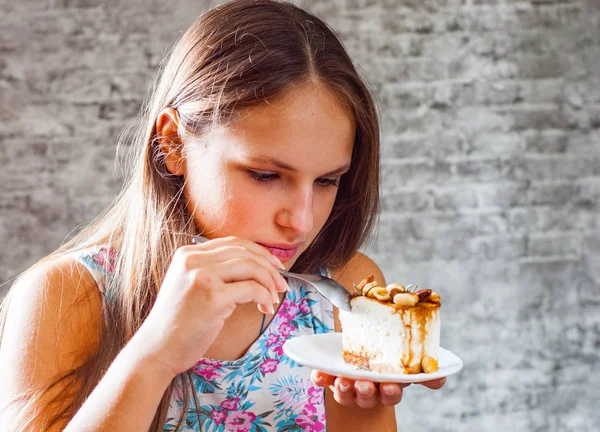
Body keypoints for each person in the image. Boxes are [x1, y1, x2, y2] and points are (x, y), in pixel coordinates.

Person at [0, 1, 445, 431]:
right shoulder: (66, 298)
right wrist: (155, 354)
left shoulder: (344, 290)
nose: (302, 221)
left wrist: (364, 403)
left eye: (327, 181)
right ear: (173, 145)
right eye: (266, 175)